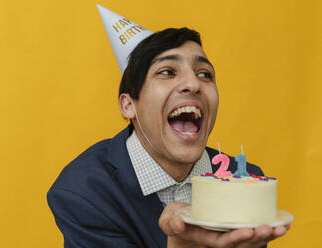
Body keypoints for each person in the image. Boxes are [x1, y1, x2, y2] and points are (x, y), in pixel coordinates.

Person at [48, 7, 289, 248]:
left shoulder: (246, 184)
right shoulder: (84, 192)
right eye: (167, 72)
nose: (193, 84)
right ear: (128, 105)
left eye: (205, 74)